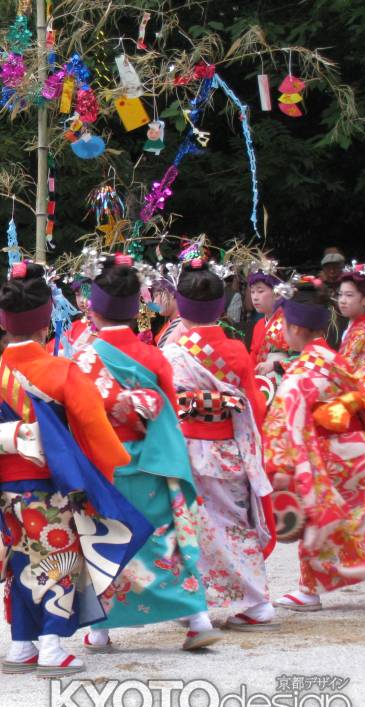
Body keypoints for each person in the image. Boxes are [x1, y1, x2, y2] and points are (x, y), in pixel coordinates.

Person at [0, 261, 153, 675]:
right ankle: (51, 647)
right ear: (45, 320)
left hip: (5, 491)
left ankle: (21, 645)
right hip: (52, 487)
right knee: (60, 560)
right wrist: (111, 467)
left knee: (21, 562)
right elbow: (95, 431)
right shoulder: (61, 371)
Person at [65, 256, 219, 655]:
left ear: (92, 309)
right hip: (151, 462)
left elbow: (75, 418)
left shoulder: (82, 360)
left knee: (103, 542)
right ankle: (197, 619)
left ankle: (100, 631)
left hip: (104, 467)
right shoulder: (154, 356)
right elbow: (168, 407)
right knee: (163, 539)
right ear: (137, 309)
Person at [162, 259, 277, 630]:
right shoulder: (235, 350)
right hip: (229, 450)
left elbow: (164, 403)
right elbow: (253, 405)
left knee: (191, 528)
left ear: (181, 305)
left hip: (186, 452)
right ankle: (257, 602)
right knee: (235, 527)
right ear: (220, 304)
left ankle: (194, 604)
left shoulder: (173, 352)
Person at [264, 279, 365, 612]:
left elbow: (284, 424)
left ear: (295, 327)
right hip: (360, 450)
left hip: (325, 453)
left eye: (283, 325)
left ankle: (308, 590)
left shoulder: (301, 374)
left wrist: (280, 467)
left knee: (317, 516)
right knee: (363, 515)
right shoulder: (332, 359)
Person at [247, 268, 294, 406]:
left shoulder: (288, 322)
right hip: (261, 384)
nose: (255, 297)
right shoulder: (259, 324)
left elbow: (300, 357)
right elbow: (253, 356)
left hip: (282, 387)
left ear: (277, 294)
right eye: (252, 291)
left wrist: (275, 365)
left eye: (260, 291)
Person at [336, 268, 365, 383]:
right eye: (340, 294)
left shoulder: (361, 333)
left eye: (349, 295)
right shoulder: (357, 326)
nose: (342, 300)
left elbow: (345, 371)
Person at [320, 248, 348, 347]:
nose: (332, 271)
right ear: (323, 268)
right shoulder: (318, 284)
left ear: (341, 266)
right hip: (325, 335)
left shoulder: (349, 283)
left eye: (335, 267)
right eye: (328, 267)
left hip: (345, 333)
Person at [151, 277, 183, 348]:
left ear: (171, 293)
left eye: (156, 295)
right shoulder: (168, 322)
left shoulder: (186, 325)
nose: (154, 302)